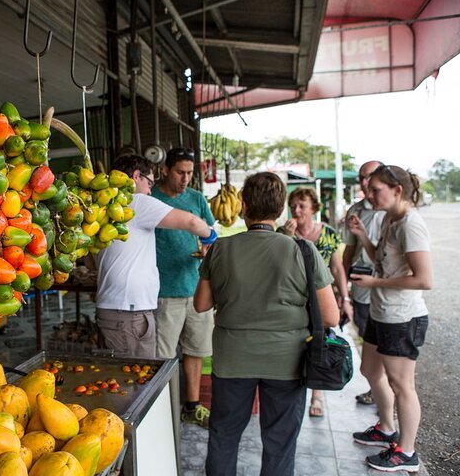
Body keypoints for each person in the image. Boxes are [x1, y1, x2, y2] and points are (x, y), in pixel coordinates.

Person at [195, 172, 339, 476]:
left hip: (233, 359)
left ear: (243, 206)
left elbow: (201, 304)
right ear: (280, 210)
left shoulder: (220, 248)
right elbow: (331, 316)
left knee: (224, 435)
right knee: (279, 442)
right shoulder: (302, 250)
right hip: (287, 361)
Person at [348, 165, 432, 472]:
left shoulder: (410, 224)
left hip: (403, 316)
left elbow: (424, 279)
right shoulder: (388, 219)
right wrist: (362, 236)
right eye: (369, 189)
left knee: (402, 385)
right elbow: (383, 262)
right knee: (369, 369)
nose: (369, 195)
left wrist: (374, 285)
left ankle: (407, 452)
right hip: (381, 312)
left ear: (397, 190)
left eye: (376, 189)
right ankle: (386, 429)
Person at [94, 154, 217, 358]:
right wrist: (210, 237)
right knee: (137, 381)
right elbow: (192, 223)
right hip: (129, 310)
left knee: (127, 377)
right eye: (149, 183)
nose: (151, 191)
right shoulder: (137, 202)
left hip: (114, 307)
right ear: (135, 176)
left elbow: (91, 263)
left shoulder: (103, 207)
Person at [151, 147, 216, 428]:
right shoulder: (151, 198)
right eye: (180, 172)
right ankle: (160, 409)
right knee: (163, 356)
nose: (186, 178)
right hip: (164, 290)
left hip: (196, 288)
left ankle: (191, 406)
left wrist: (206, 249)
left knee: (196, 350)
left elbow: (212, 234)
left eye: (190, 173)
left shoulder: (197, 199)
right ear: (165, 169)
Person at [280, 186, 353, 418]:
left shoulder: (328, 233)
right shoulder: (283, 232)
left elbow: (337, 266)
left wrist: (344, 297)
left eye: (302, 205)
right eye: (293, 206)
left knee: (320, 340)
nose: (297, 210)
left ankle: (317, 393)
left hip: (322, 296)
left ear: (314, 208)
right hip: (293, 296)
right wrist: (287, 237)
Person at [342, 160, 386, 405]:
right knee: (367, 342)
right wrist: (344, 288)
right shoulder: (356, 210)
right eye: (361, 177)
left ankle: (386, 399)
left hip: (387, 289)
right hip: (361, 288)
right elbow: (348, 251)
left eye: (369, 177)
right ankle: (376, 391)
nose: (364, 182)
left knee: (387, 349)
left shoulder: (392, 211)